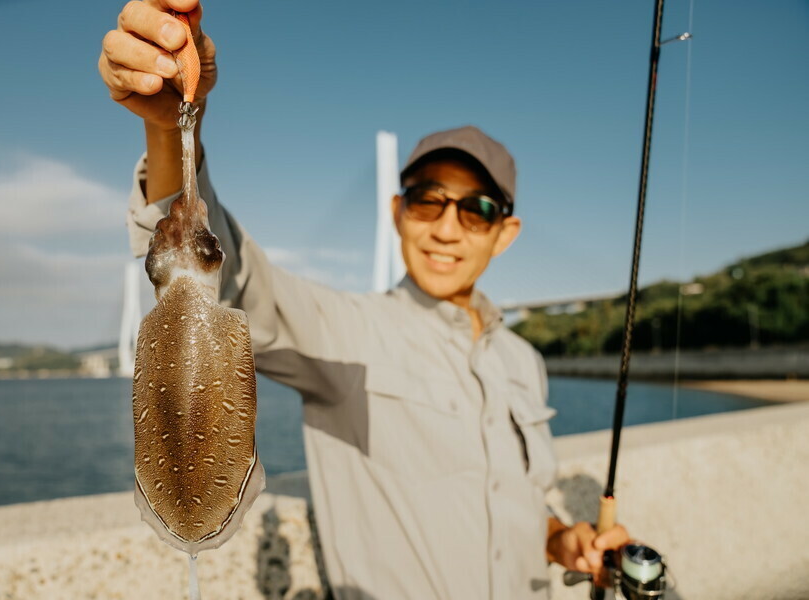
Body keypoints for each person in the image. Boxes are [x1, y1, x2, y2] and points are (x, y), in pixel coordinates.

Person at [99, 2, 631, 598]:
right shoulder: (345, 331)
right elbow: (220, 278)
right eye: (427, 200)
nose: (447, 229)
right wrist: (172, 129)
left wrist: (559, 539)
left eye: (478, 209)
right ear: (397, 213)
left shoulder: (524, 364)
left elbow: (514, 504)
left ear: (506, 233)